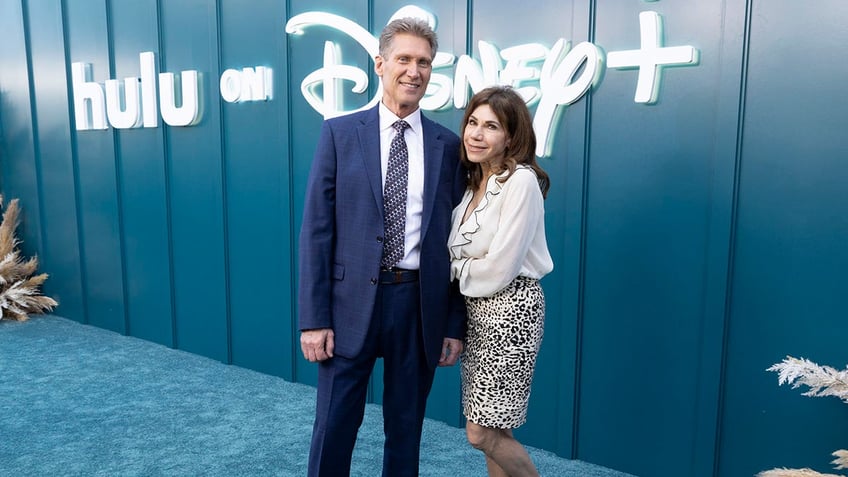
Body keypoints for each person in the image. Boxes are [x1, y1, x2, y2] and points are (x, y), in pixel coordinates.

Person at [297, 17, 467, 477]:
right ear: (380, 64)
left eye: (425, 63)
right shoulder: (339, 133)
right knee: (334, 425)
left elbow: (455, 244)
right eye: (404, 59)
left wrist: (453, 322)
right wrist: (314, 319)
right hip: (349, 304)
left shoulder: (449, 147)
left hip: (417, 305)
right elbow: (316, 231)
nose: (414, 71)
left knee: (406, 428)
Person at [447, 86, 553, 477]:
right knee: (495, 426)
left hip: (512, 311)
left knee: (479, 433)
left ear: (511, 136)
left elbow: (500, 267)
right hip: (477, 312)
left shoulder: (520, 181)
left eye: (490, 126)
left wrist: (453, 268)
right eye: (472, 123)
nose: (476, 134)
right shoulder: (475, 184)